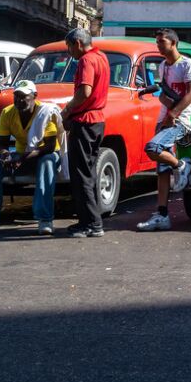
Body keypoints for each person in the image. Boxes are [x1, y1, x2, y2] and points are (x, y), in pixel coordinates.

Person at [0, 80, 61, 236]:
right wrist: (6, 156)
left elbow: (49, 147)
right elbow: (1, 144)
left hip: (43, 155)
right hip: (21, 156)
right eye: (16, 96)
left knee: (47, 161)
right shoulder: (7, 112)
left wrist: (22, 158)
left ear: (34, 96)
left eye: (24, 96)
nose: (19, 100)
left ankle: (45, 219)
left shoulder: (46, 112)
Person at [137, 28, 191, 231]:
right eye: (157, 42)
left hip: (179, 121)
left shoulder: (187, 64)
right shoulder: (163, 66)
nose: (158, 45)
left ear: (173, 43)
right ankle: (162, 215)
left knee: (152, 148)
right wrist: (162, 99)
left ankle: (181, 166)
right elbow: (164, 94)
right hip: (163, 119)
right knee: (162, 170)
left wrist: (174, 114)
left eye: (162, 42)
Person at [61, 27, 110, 238]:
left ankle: (91, 223)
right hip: (97, 121)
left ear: (78, 44)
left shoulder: (86, 61)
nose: (69, 52)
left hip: (85, 121)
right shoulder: (102, 57)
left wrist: (68, 109)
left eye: (69, 47)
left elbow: (85, 91)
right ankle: (90, 221)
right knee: (88, 173)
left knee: (81, 175)